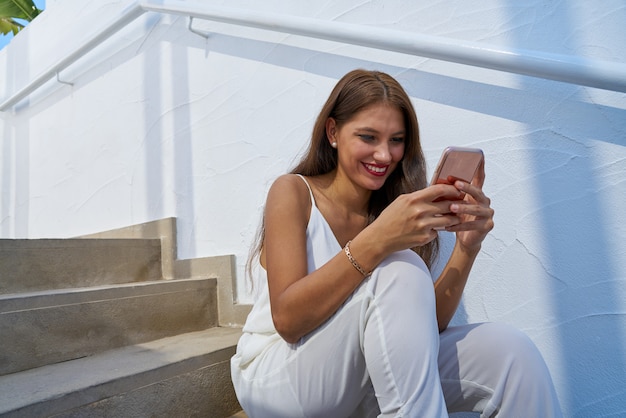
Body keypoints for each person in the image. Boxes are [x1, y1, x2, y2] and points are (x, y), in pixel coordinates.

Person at [230, 69, 563, 417]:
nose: (385, 155)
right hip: (278, 374)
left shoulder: (391, 212)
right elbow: (288, 320)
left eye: (396, 140)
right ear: (333, 132)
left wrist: (467, 248)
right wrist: (379, 240)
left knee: (511, 353)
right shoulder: (294, 192)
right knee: (399, 268)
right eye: (368, 137)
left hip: (357, 377)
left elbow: (416, 332)